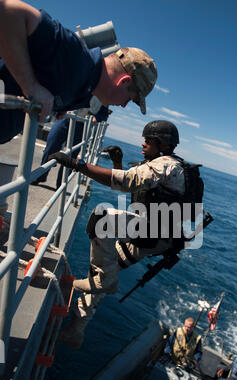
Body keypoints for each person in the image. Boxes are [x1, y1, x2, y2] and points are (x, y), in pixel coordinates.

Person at [54, 120, 194, 350]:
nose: (143, 143)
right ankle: (76, 330)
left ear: (162, 144)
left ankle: (104, 281)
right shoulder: (164, 165)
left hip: (154, 233)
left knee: (102, 220)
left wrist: (76, 164)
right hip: (155, 233)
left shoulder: (167, 165)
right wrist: (117, 162)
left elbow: (126, 182)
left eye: (148, 140)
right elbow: (136, 191)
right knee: (99, 277)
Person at [0, 0, 157, 144]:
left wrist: (58, 105)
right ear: (124, 81)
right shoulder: (74, 55)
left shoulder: (86, 85)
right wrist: (31, 86)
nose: (123, 106)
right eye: (129, 99)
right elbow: (8, 11)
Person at [31, 104, 111, 188]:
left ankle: (61, 184)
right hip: (65, 118)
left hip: (82, 125)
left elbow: (103, 113)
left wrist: (96, 118)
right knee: (51, 146)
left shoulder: (103, 95)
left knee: (71, 156)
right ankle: (40, 176)